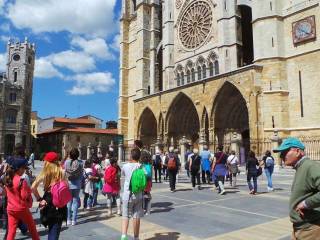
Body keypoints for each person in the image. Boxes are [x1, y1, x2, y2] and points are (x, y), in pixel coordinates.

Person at [273, 137, 320, 239]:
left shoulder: (310, 166)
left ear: (298, 152)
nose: (281, 156)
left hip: (310, 230)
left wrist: (306, 203)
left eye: (285, 152)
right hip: (300, 228)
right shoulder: (300, 167)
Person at [31, 152, 67, 240]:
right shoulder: (61, 171)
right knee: (55, 227)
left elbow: (33, 187)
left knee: (51, 226)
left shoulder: (44, 172)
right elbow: (66, 187)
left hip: (47, 199)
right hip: (59, 200)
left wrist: (39, 199)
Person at [4, 156, 39, 240]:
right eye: (23, 168)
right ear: (18, 168)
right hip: (21, 208)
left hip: (11, 208)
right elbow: (24, 196)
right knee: (32, 228)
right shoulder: (21, 181)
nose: (24, 170)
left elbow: (6, 193)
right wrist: (28, 190)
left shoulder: (8, 179)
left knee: (11, 231)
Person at [121, 148, 144, 240]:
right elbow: (145, 177)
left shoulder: (125, 166)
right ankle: (136, 237)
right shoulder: (141, 166)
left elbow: (123, 174)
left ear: (131, 156)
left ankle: (123, 236)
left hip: (128, 194)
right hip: (138, 194)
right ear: (139, 157)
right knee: (136, 216)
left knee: (125, 215)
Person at [64, 148, 83, 226]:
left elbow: (65, 172)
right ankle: (74, 220)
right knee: (75, 202)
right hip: (77, 184)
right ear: (78, 155)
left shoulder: (67, 162)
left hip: (69, 183)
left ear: (70, 155)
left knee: (69, 202)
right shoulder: (81, 163)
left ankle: (68, 219)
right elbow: (81, 174)